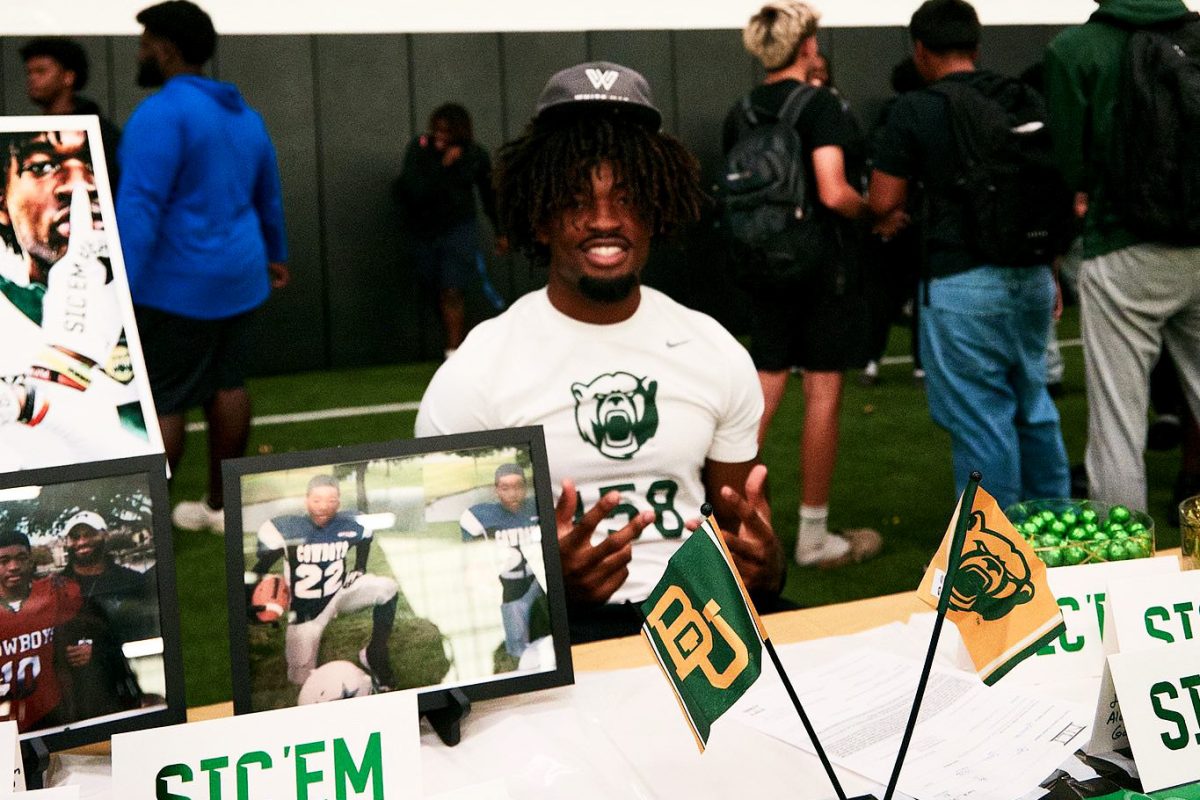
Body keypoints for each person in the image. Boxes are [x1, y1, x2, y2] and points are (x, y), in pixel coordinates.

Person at [416, 60, 785, 643]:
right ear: (538, 218)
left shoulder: (712, 348)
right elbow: (438, 583)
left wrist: (766, 566)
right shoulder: (476, 374)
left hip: (703, 631)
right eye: (575, 200)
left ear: (657, 209)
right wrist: (545, 589)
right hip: (554, 641)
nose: (605, 221)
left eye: (628, 197)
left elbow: (743, 519)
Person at [868, 0, 1070, 509]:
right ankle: (1058, 533)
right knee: (1034, 404)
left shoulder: (915, 108)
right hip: (1032, 273)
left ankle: (994, 556)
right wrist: (1052, 271)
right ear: (977, 47)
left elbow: (883, 200)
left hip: (960, 281)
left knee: (982, 419)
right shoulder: (1022, 96)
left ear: (919, 50)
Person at [117, 0, 289, 533]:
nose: (140, 51)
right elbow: (269, 198)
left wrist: (119, 282)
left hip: (175, 288)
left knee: (163, 400)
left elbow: (140, 207)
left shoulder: (160, 114)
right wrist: (276, 254)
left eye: (145, 41)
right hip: (241, 279)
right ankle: (221, 509)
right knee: (228, 386)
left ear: (165, 49)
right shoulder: (246, 116)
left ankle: (145, 531)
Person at [724, 1, 882, 569]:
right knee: (822, 393)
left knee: (759, 397)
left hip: (761, 266)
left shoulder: (739, 111)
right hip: (821, 269)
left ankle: (721, 521)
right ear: (807, 46)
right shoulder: (819, 107)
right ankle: (813, 538)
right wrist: (876, 213)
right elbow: (835, 191)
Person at [1045, 0, 1200, 512]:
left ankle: (1125, 571)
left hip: (1123, 245)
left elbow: (1070, 165)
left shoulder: (1073, 49)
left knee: (1117, 423)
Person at [0, 129, 154, 470]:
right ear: (2, 201)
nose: (79, 185)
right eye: (41, 166)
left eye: (89, 164)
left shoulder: (143, 294)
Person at [245, 475, 398, 688]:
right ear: (306, 500)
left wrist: (360, 567)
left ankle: (375, 653)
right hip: (306, 610)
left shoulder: (352, 522)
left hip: (340, 592)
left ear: (339, 501)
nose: (323, 506)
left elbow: (365, 538)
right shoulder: (288, 528)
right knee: (301, 681)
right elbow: (261, 569)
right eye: (317, 500)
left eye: (331, 500)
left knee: (387, 588)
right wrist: (250, 598)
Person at [393, 104, 503, 359]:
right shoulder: (419, 149)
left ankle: (453, 353)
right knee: (432, 287)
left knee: (452, 289)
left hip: (458, 230)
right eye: (438, 130)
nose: (441, 136)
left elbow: (489, 195)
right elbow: (412, 190)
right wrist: (443, 166)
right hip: (425, 231)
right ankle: (449, 342)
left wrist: (501, 231)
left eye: (447, 131)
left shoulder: (474, 155)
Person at [0, 531, 88, 732]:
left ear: (31, 560)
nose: (13, 566)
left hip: (49, 711)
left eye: (21, 558)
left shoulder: (54, 591)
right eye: (4, 560)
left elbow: (87, 625)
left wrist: (87, 643)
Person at [459, 463, 545, 661]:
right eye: (505, 488)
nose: (513, 493)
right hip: (511, 587)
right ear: (496, 489)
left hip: (539, 580)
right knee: (518, 649)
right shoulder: (481, 517)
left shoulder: (537, 506)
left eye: (518, 486)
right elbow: (473, 556)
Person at [20, 37, 122, 187]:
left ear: (68, 77)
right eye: (29, 72)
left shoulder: (101, 132)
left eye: (41, 71)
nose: (32, 78)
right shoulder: (29, 133)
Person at [59, 510, 156, 643]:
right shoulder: (54, 586)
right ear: (66, 542)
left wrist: (98, 649)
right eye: (75, 537)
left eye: (89, 535)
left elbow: (146, 631)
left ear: (105, 535)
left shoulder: (133, 581)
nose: (81, 542)